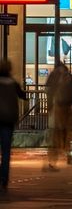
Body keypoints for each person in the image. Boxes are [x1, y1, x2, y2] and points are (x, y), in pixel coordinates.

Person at [0, 59, 25, 193]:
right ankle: (4, 178)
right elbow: (22, 95)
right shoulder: (13, 83)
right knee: (6, 151)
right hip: (8, 121)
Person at [44, 62, 72, 169]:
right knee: (67, 132)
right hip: (67, 107)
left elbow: (49, 91)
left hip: (57, 106)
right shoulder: (69, 76)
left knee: (55, 132)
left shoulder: (53, 75)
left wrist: (49, 107)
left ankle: (53, 160)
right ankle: (69, 155)